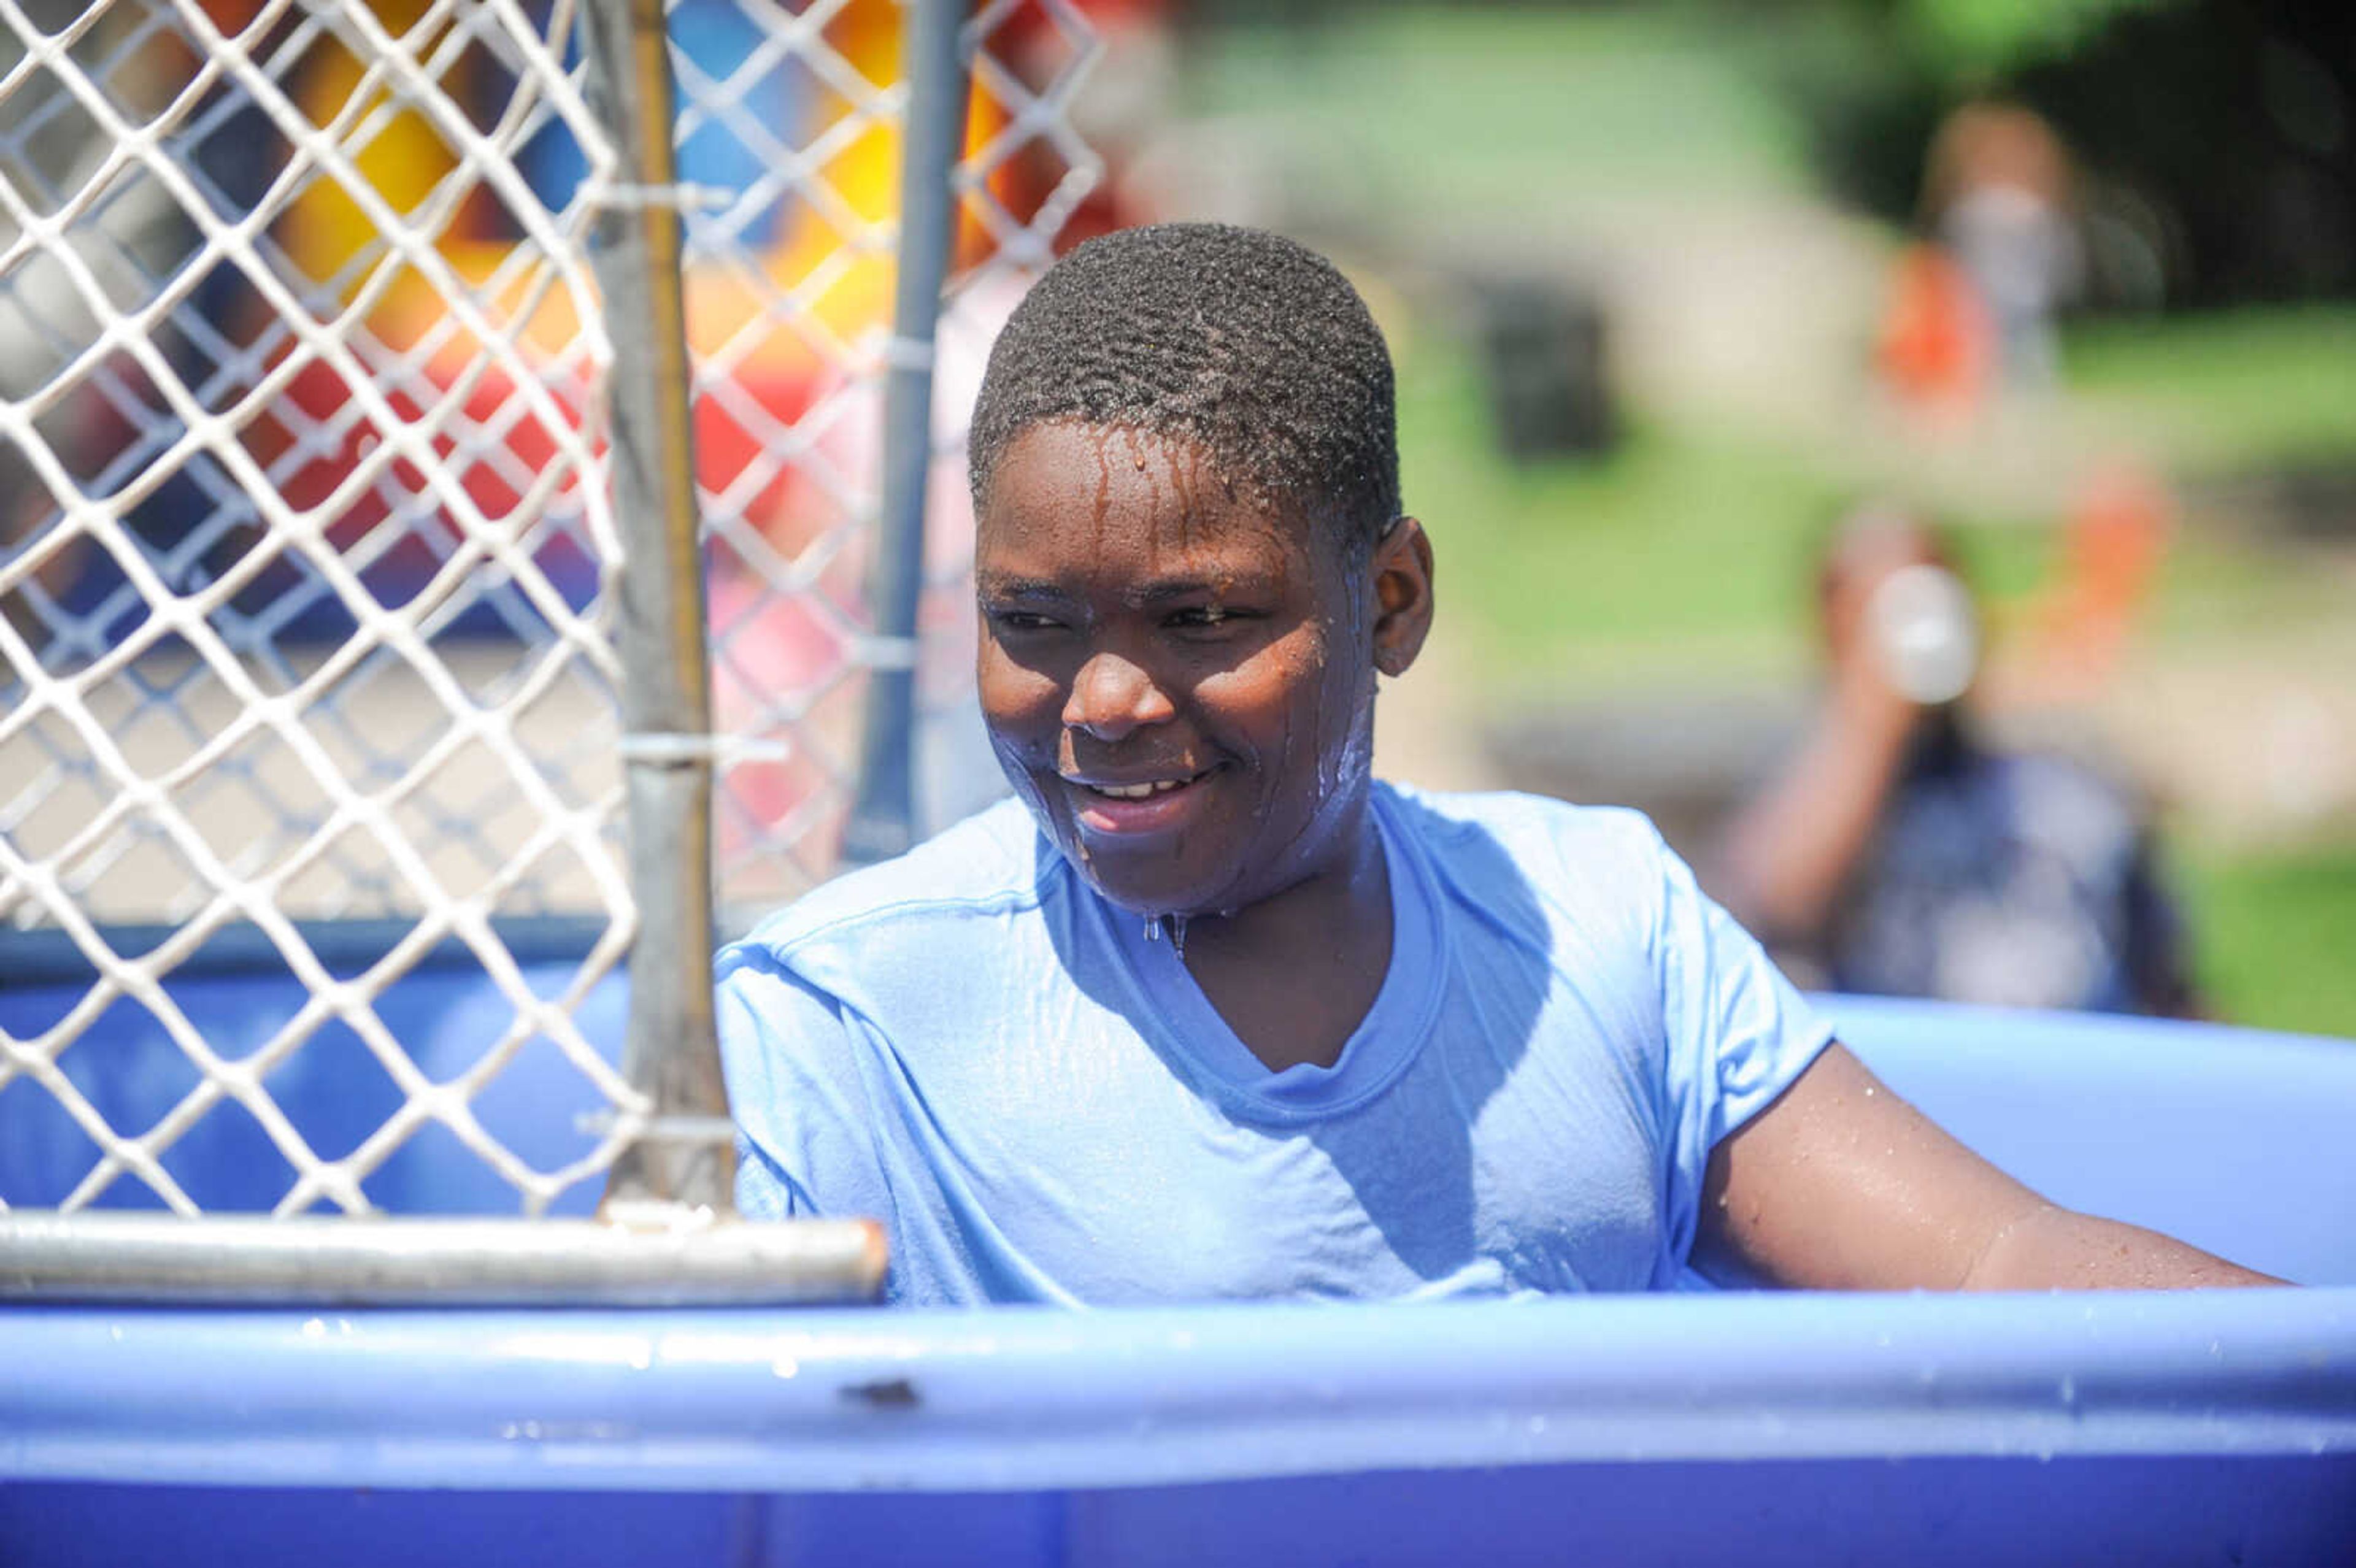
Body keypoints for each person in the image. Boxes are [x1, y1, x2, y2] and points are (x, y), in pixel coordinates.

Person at [717, 223, 2268, 1306]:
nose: (1105, 697)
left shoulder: (1597, 934)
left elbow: (1996, 1268)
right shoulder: (852, 1021)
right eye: (1031, 619)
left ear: (1388, 601)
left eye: (1201, 618)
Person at [1711, 504, 2198, 1017]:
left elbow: (2170, 988)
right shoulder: (1802, 805)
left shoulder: (2068, 791)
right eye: (1882, 609)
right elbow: (1770, 912)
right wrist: (1873, 715)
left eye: (1933, 598)